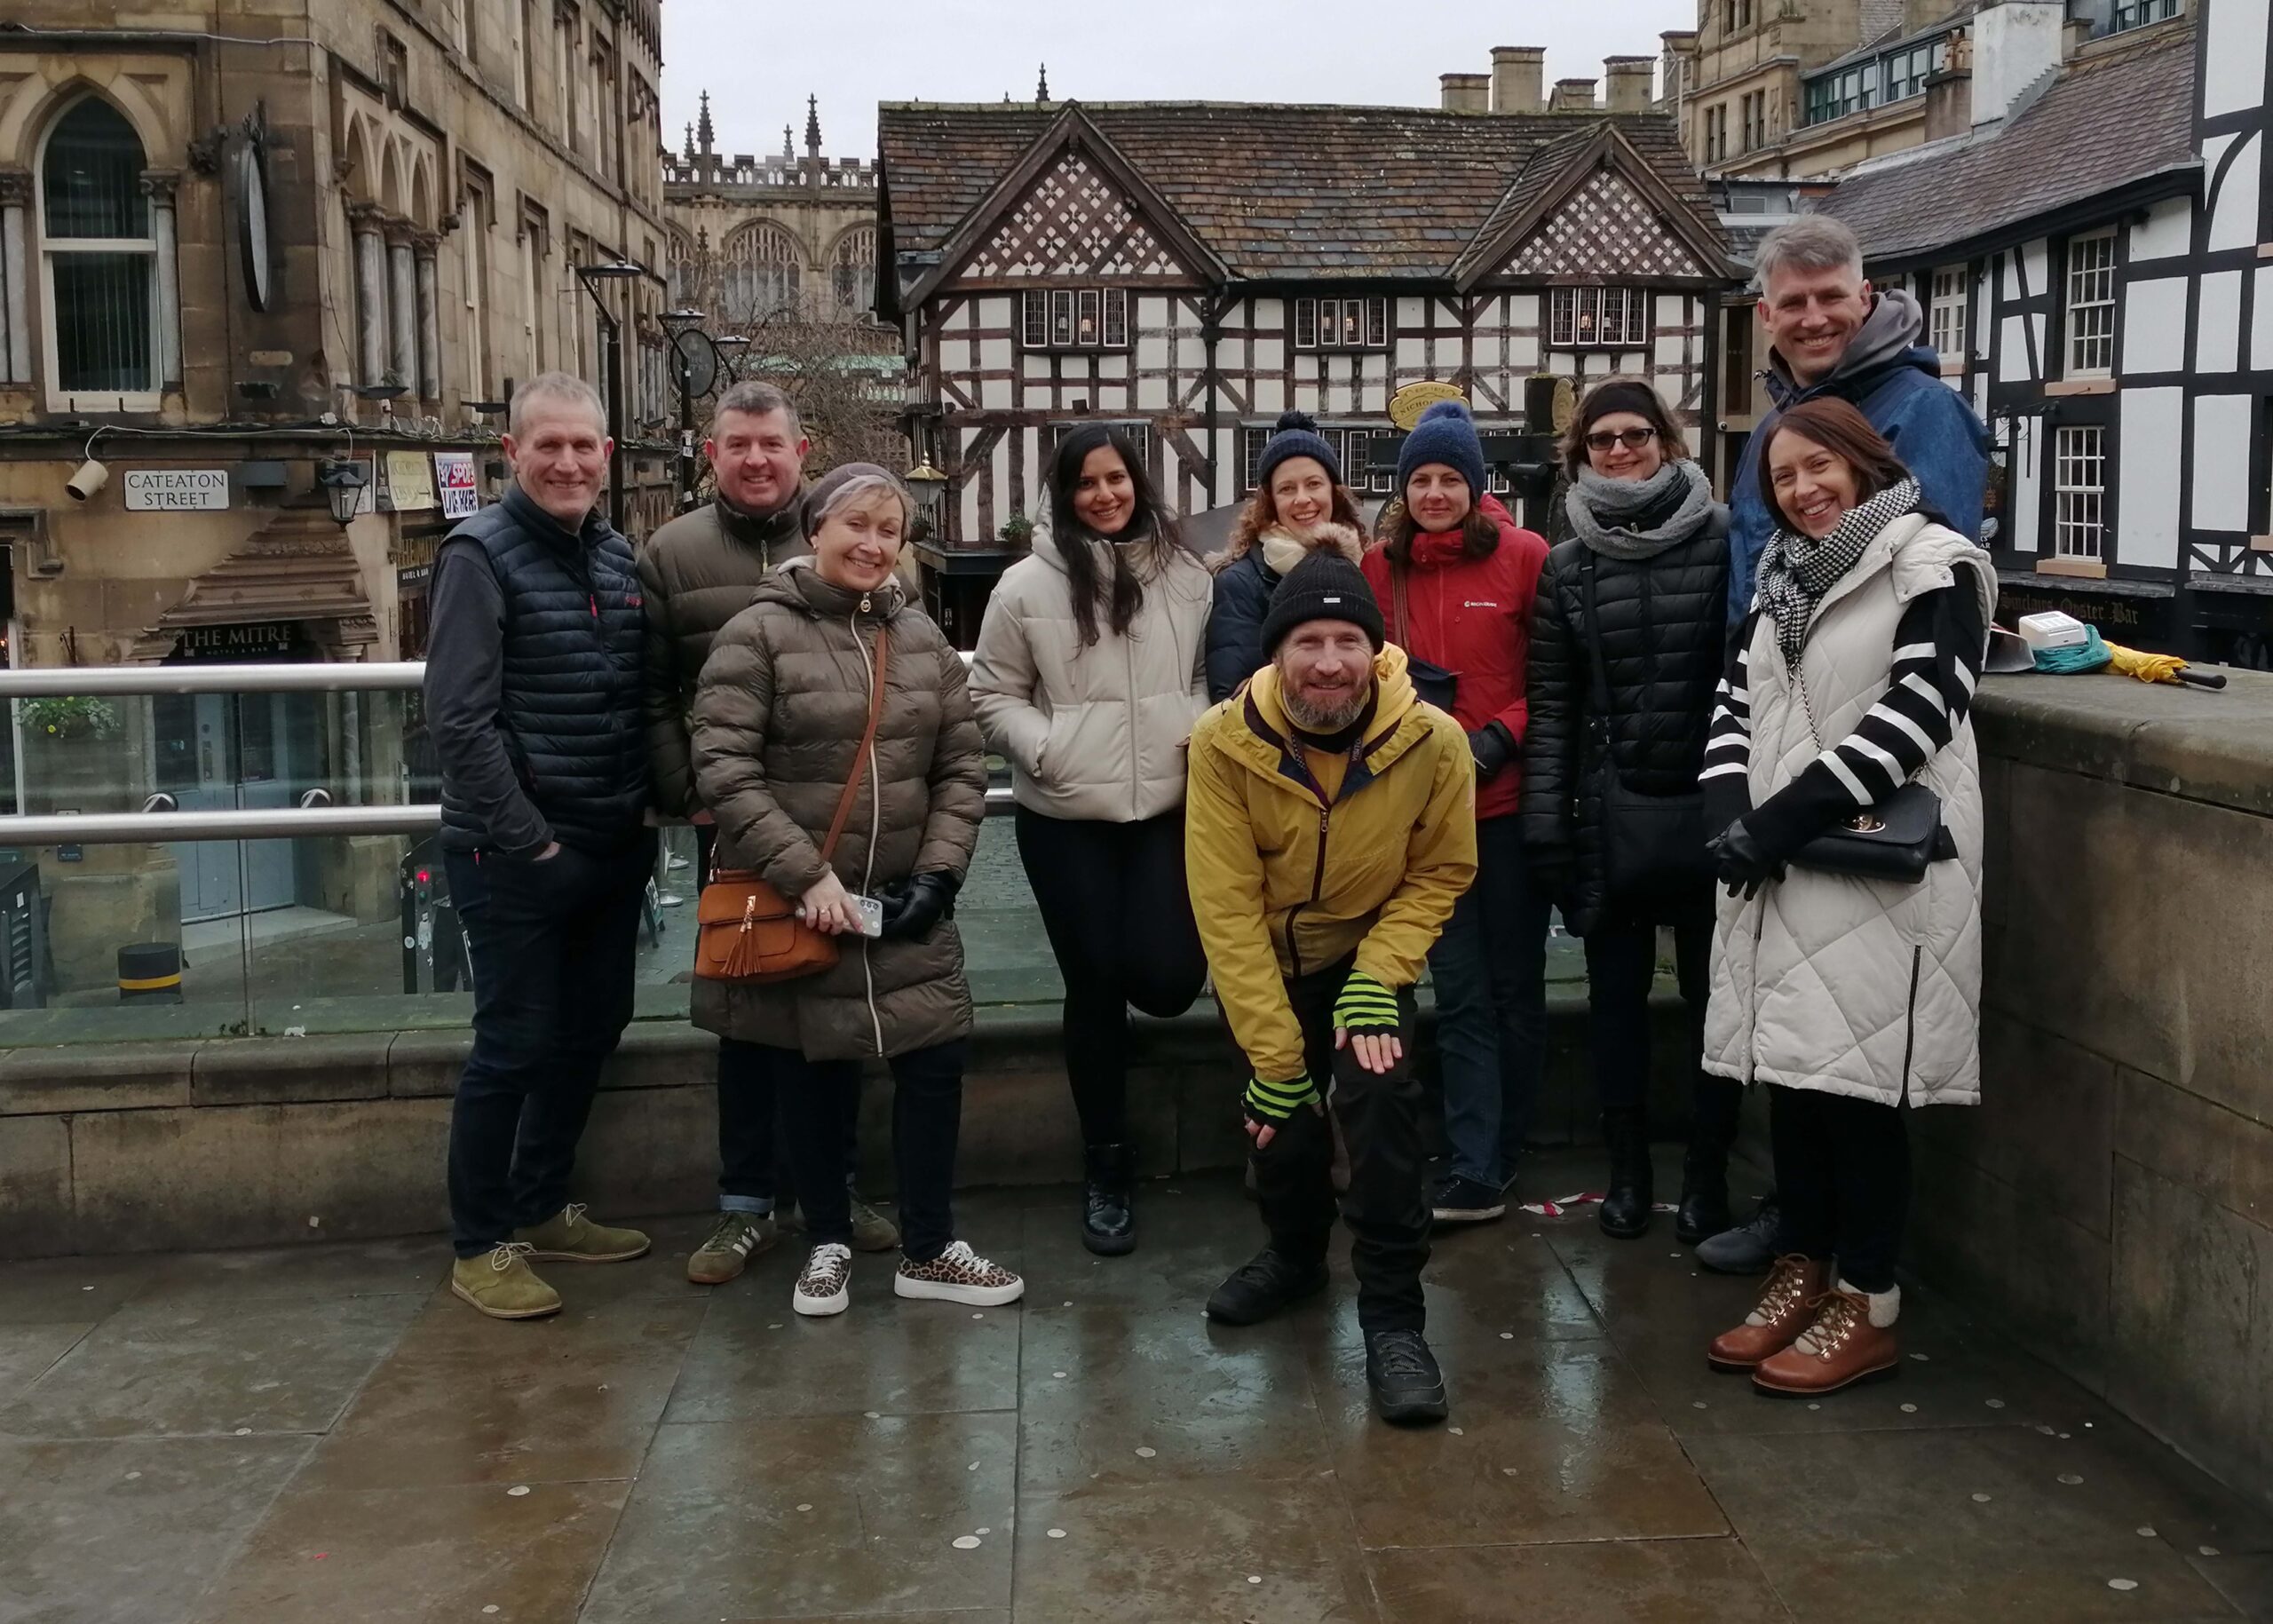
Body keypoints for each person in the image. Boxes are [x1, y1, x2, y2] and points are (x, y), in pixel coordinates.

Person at [1705, 212, 1990, 1276]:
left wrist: (1791, 797)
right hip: (1782, 774)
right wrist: (1731, 779)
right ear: (1766, 313)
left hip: (1861, 799)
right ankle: (1803, 1247)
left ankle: (1855, 1287)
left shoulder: (1926, 412)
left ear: (1863, 299)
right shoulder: (1769, 426)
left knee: (1853, 1066)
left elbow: (1920, 605)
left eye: (1833, 297)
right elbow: (1759, 603)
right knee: (1798, 1055)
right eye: (1794, 300)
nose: (1815, 315)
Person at [689, 463, 1018, 1318]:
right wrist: (808, 876)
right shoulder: (756, 632)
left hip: (907, 892)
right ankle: (826, 1239)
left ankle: (931, 1246)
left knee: (935, 1060)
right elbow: (725, 769)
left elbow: (961, 764)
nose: (873, 544)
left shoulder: (921, 640)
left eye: (890, 531)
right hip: (809, 899)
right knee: (813, 1068)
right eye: (856, 526)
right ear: (815, 531)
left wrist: (942, 875)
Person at [1185, 551, 1477, 1425]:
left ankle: (1392, 1315)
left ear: (1372, 649)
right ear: (1277, 652)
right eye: (1307, 640)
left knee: (1380, 1104)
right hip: (1269, 961)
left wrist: (1379, 977)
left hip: (1367, 957)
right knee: (1279, 1123)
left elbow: (1441, 868)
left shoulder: (1433, 739)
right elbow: (1224, 904)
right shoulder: (1223, 742)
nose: (1327, 661)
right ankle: (1296, 1255)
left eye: (1347, 639)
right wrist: (1275, 1059)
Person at [641, 382, 896, 1287]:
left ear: (802, 449)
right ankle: (746, 1204)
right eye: (737, 443)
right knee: (746, 1018)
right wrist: (691, 789)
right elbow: (652, 689)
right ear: (712, 452)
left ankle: (837, 1190)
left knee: (839, 1012)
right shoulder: (671, 551)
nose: (755, 459)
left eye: (771, 444)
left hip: (837, 823)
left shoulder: (843, 534)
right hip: (741, 824)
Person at [425, 372, 656, 1320]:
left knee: (588, 1030)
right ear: (511, 454)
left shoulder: (611, 554)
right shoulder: (477, 552)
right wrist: (534, 846)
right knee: (512, 1046)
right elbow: (458, 720)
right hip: (515, 855)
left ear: (608, 455)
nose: (567, 461)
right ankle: (480, 1244)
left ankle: (544, 1202)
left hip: (609, 841)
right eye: (548, 445)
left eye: (583, 445)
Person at [970, 425, 1213, 1255]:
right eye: (1085, 483)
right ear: (1064, 494)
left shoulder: (1186, 575)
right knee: (1094, 987)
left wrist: (1198, 730)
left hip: (1169, 810)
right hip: (1066, 815)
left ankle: (1118, 1075)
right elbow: (991, 693)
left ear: (1137, 483)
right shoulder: (1024, 586)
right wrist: (1049, 747)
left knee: (1174, 977)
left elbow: (1206, 677)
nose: (1104, 495)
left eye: (1116, 478)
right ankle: (1106, 1161)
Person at [1522, 377, 1733, 1242]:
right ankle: (1627, 1169)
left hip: (1713, 807)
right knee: (1616, 1005)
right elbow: (1552, 707)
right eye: (1600, 439)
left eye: (1634, 434)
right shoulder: (1566, 564)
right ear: (1580, 455)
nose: (1618, 450)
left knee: (1714, 1009)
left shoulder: (1724, 540)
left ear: (1666, 441)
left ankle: (1707, 1174)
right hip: (1608, 815)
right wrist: (1544, 826)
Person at [1358, 399, 1549, 1226]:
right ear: (1403, 490)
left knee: (1515, 986)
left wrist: (1501, 738)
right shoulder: (1379, 567)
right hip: (1421, 819)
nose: (1435, 493)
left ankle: (1506, 1149)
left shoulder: (1525, 556)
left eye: (1450, 478)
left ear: (1477, 484)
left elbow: (1552, 676)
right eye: (1421, 479)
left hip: (1500, 808)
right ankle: (1475, 1161)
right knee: (1462, 990)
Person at [1206, 411, 1368, 702]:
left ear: (1334, 491)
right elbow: (1231, 698)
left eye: (1314, 484)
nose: (1302, 499)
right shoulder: (1240, 583)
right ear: (1271, 502)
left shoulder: (1363, 565)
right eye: (1287, 489)